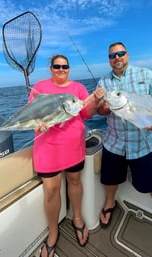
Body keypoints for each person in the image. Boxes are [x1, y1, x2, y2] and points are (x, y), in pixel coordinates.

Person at [96, 42, 152, 254]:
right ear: (109, 59)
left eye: (121, 53)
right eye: (112, 55)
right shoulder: (103, 82)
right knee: (110, 179)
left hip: (143, 144)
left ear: (128, 55)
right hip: (114, 143)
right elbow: (101, 110)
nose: (117, 57)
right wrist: (103, 107)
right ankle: (109, 204)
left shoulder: (147, 74)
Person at [28, 54, 105, 257]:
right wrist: (38, 123)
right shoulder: (40, 88)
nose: (61, 69)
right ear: (51, 68)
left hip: (73, 147)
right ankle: (53, 232)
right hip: (47, 149)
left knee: (75, 181)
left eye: (65, 66)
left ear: (69, 68)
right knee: (52, 191)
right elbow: (31, 112)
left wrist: (96, 101)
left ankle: (77, 218)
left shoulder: (78, 88)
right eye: (57, 66)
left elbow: (87, 113)